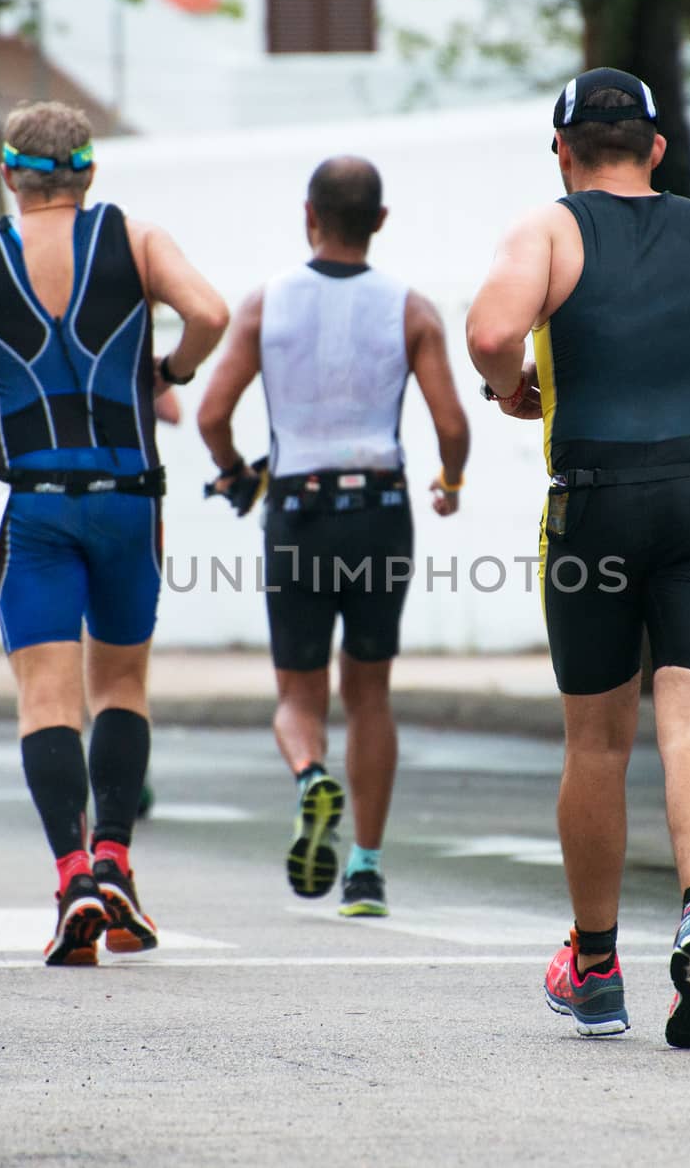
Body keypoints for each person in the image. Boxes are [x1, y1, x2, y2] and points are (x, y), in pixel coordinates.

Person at [466, 69, 690, 1046]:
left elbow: (492, 330)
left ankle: (594, 962)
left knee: (598, 742)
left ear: (563, 150)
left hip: (595, 506)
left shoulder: (547, 230)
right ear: (656, 147)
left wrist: (513, 390)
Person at [0, 101, 229, 966]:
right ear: (88, 172)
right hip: (130, 496)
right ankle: (120, 859)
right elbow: (211, 312)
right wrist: (168, 370)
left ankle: (74, 878)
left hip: (33, 504)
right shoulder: (135, 238)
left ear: (12, 175)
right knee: (122, 683)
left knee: (47, 698)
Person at [197, 156, 470, 918]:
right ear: (379, 221)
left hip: (298, 509)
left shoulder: (265, 304)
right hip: (380, 508)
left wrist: (238, 475)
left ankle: (311, 774)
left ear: (308, 216)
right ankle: (368, 870)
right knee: (371, 691)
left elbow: (212, 415)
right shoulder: (412, 309)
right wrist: (450, 483)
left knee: (297, 692)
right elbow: (453, 425)